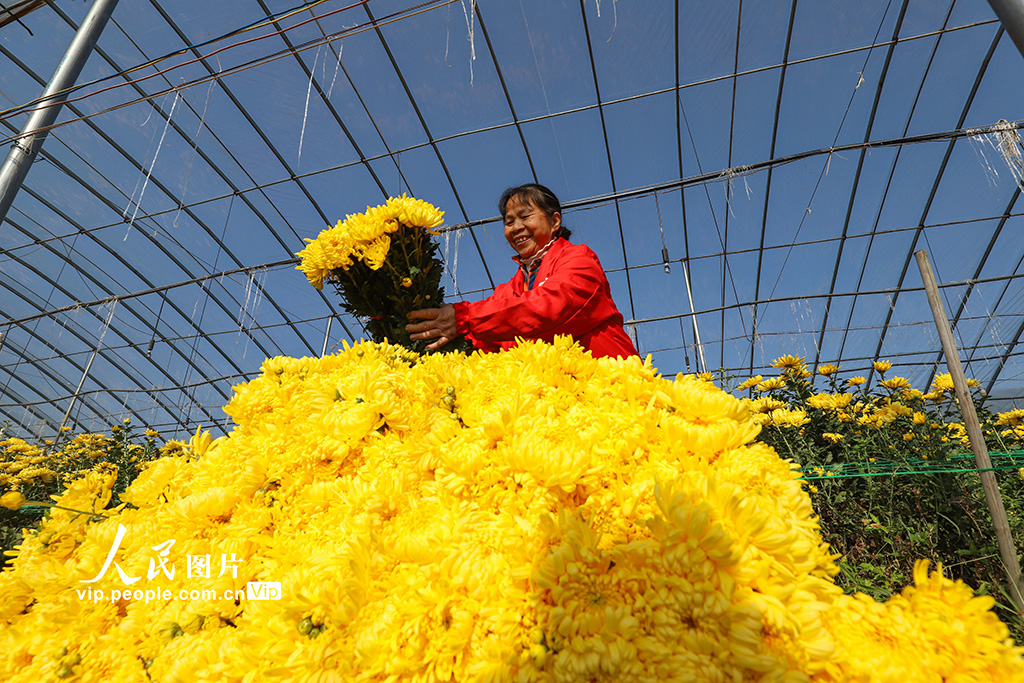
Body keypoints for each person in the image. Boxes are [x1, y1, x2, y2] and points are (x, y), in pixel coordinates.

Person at [405, 184, 639, 359]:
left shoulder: (578, 259)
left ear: (554, 220)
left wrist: (463, 317)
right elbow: (483, 336)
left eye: (525, 216)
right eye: (508, 222)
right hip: (547, 407)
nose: (516, 227)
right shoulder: (510, 290)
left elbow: (551, 308)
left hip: (613, 391)